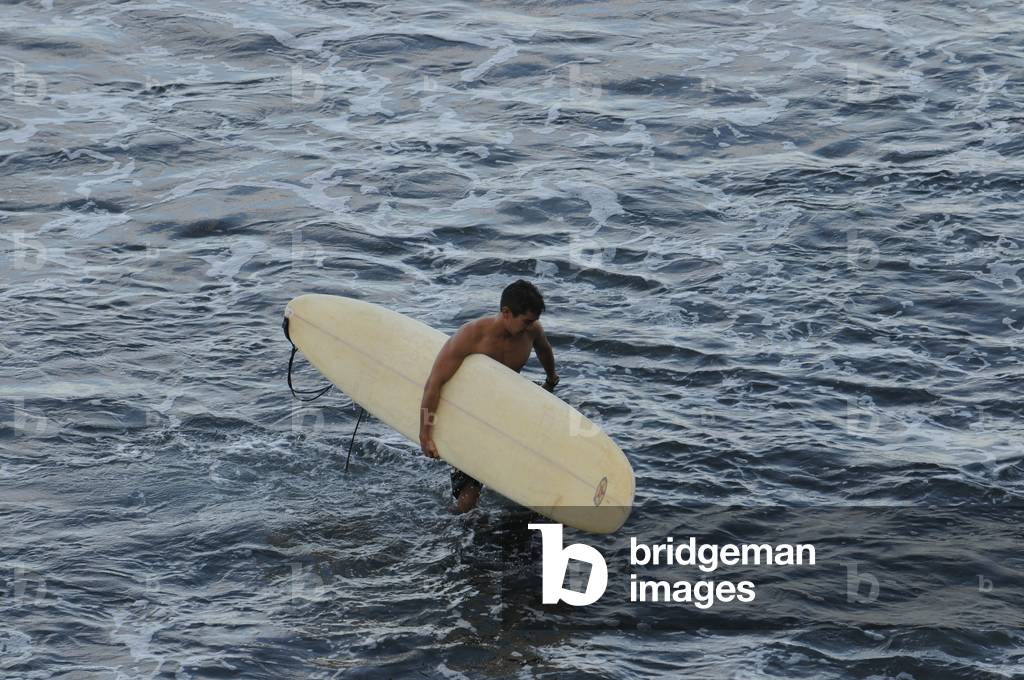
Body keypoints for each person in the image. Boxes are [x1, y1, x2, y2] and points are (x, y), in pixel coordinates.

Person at [419, 279, 559, 513]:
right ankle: (457, 525)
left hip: (507, 408)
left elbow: (544, 349)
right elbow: (435, 383)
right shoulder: (471, 336)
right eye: (526, 321)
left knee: (523, 475)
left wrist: (551, 379)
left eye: (534, 321)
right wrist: (425, 434)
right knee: (468, 500)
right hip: (471, 414)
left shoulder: (532, 330)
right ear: (506, 313)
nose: (531, 326)